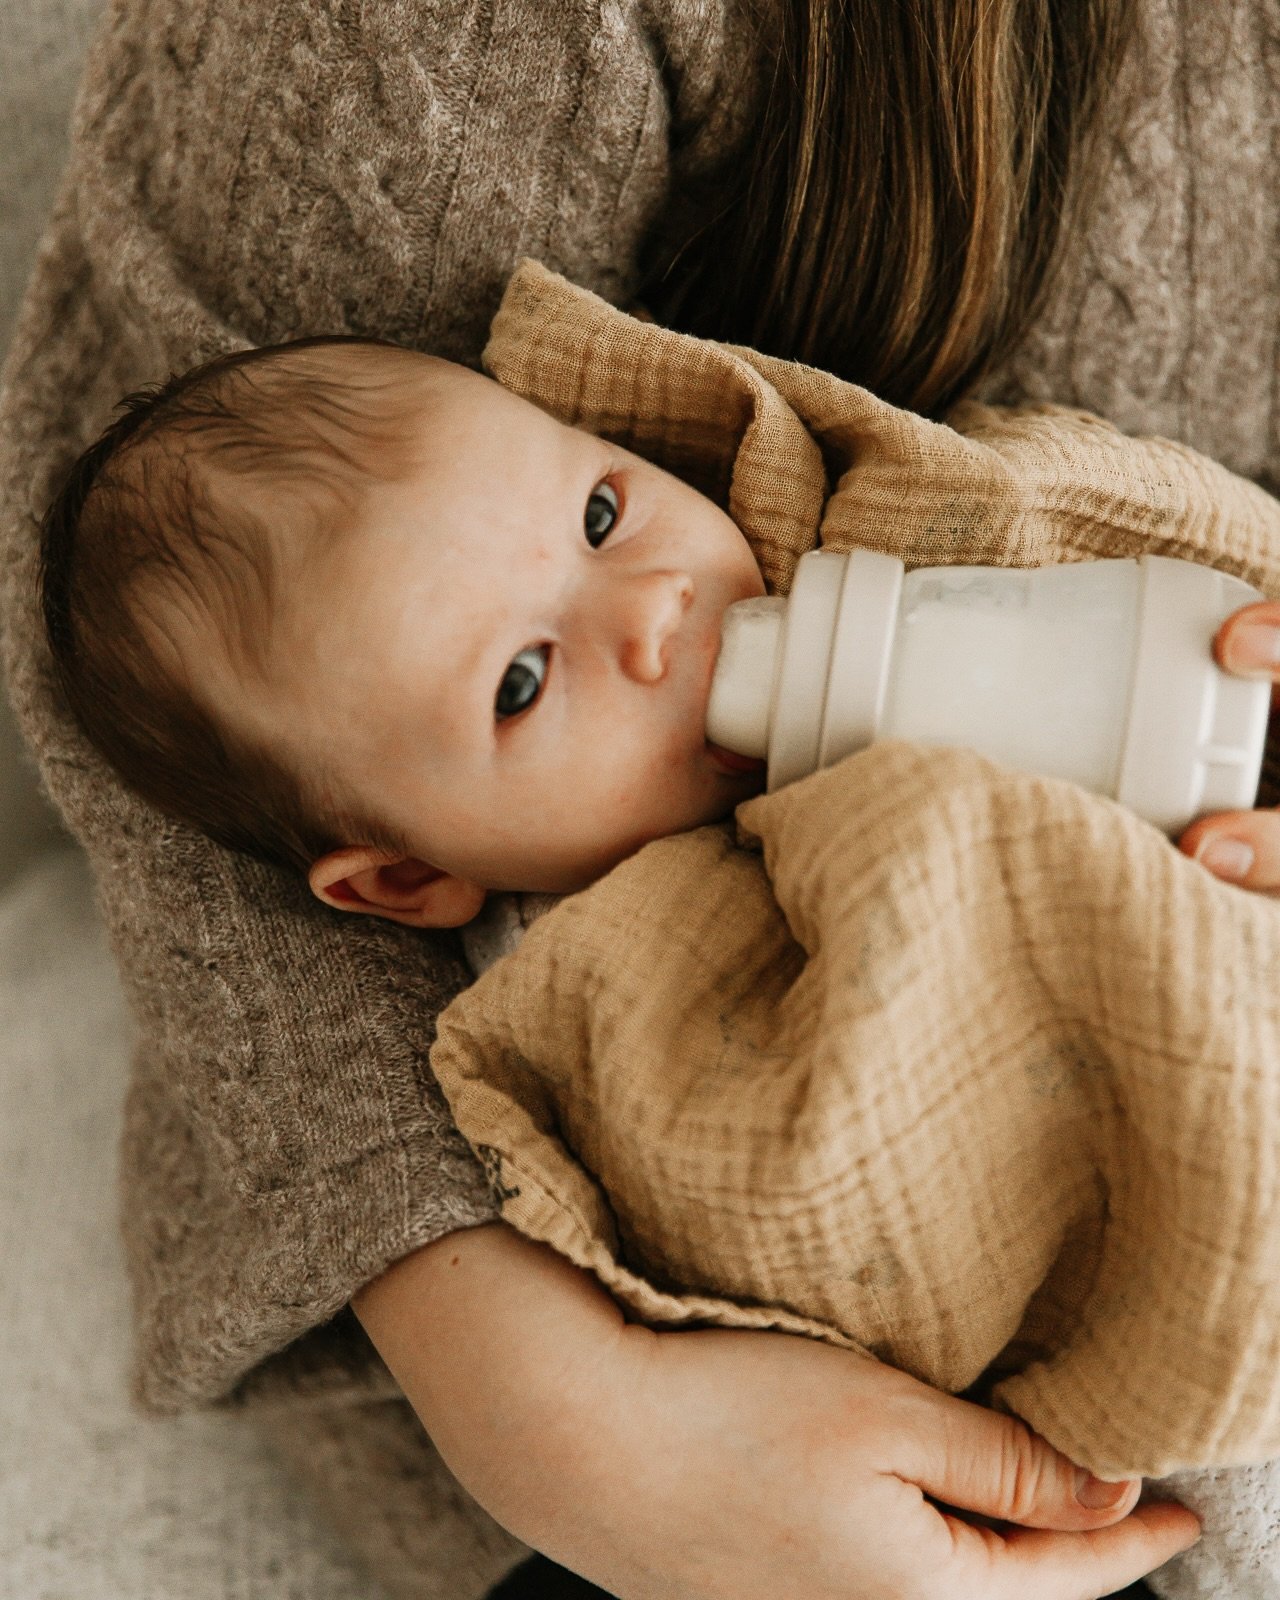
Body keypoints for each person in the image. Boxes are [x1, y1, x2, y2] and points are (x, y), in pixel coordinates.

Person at [49, 323, 1280, 1596]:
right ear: (409, 879)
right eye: (521, 681)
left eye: (597, 511)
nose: (654, 607)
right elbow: (771, 1204)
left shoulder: (879, 568)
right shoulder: (565, 999)